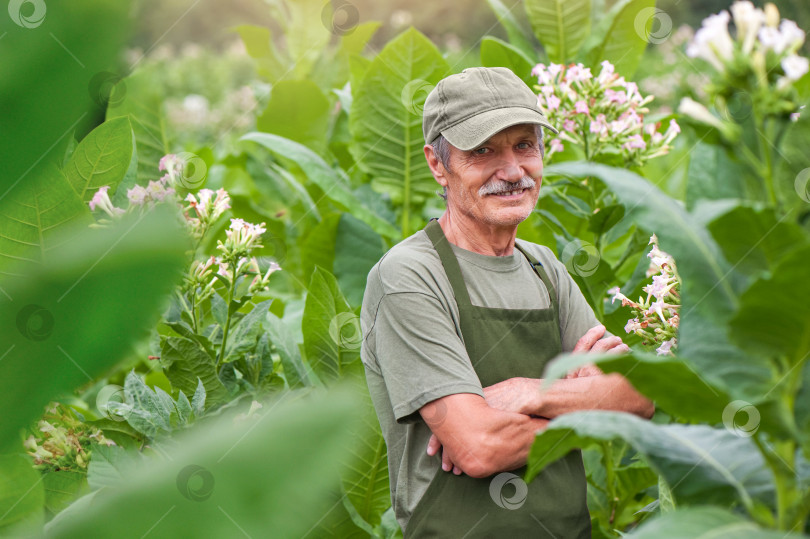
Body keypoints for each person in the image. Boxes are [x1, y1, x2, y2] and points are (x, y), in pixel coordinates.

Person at [360, 66, 654, 538]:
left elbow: (639, 397)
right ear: (438, 164)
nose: (513, 171)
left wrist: (529, 393)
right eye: (483, 151)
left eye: (524, 145)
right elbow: (478, 448)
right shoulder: (410, 276)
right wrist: (587, 403)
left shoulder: (546, 269)